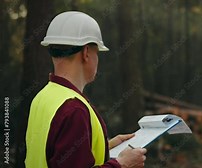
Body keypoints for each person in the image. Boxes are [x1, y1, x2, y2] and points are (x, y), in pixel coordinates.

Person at [25, 11, 147, 168]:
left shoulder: (44, 96)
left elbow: (54, 154)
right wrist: (122, 164)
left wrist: (105, 147)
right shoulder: (74, 110)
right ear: (86, 53)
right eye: (97, 53)